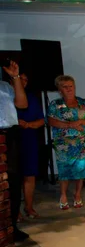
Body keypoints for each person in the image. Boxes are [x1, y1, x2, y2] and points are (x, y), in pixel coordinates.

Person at [47, 75, 85, 210]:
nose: (69, 89)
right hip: (64, 145)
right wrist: (70, 124)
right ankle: (63, 195)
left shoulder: (83, 103)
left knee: (81, 169)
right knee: (65, 170)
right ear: (59, 89)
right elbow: (51, 121)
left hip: (81, 143)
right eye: (65, 87)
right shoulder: (55, 105)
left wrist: (79, 122)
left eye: (71, 86)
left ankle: (77, 194)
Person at [1, 60, 30, 242]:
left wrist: (15, 77)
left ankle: (12, 226)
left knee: (13, 180)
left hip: (10, 134)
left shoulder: (5, 86)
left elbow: (22, 104)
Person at [16, 69, 45, 219]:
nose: (23, 82)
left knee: (30, 175)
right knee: (15, 176)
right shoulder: (7, 97)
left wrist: (28, 124)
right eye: (20, 79)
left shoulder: (32, 98)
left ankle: (29, 207)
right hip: (13, 140)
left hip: (29, 139)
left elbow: (41, 120)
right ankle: (15, 212)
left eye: (26, 80)